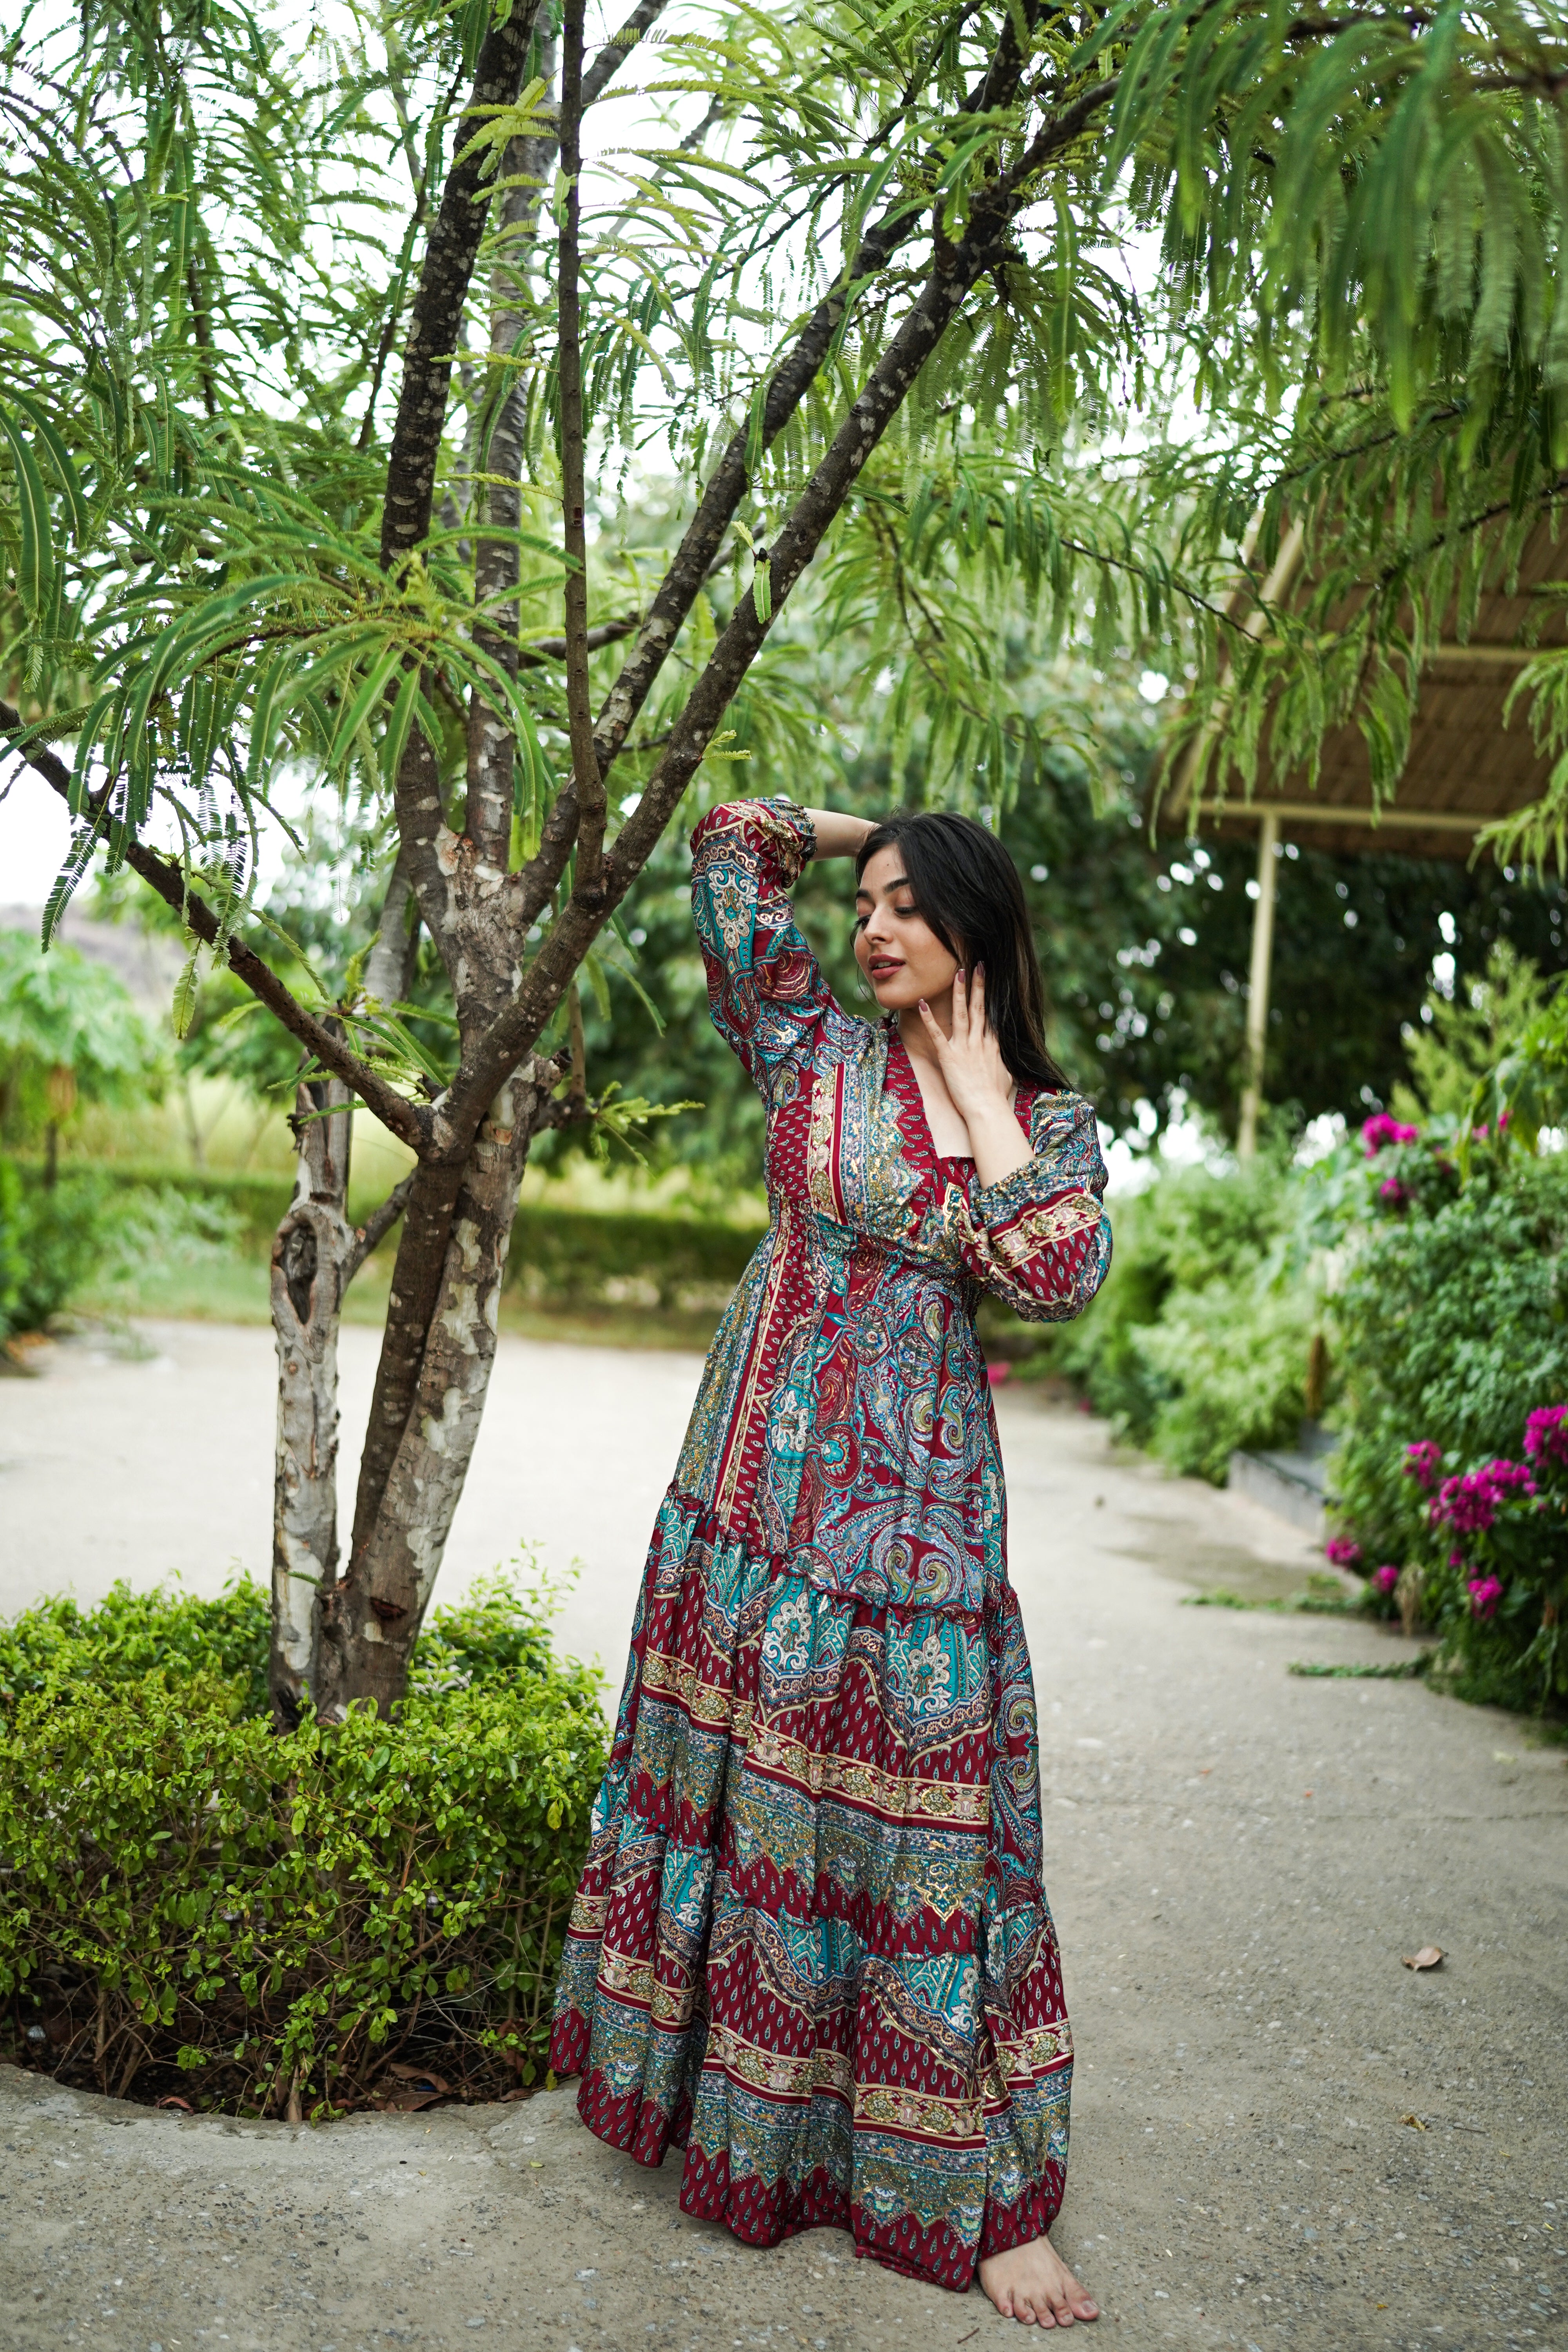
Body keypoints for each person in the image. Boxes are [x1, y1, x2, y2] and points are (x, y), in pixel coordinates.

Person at [550, 796, 1110, 2327]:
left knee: (937, 1855)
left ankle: (980, 2201)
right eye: (861, 901)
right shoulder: (811, 1053)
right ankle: (727, 2124)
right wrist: (906, 828)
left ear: (975, 936)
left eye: (907, 907)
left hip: (919, 1537)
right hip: (751, 1500)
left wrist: (981, 1073)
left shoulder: (1046, 1125)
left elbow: (1052, 1267)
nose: (868, 926)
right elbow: (730, 847)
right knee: (752, 1826)